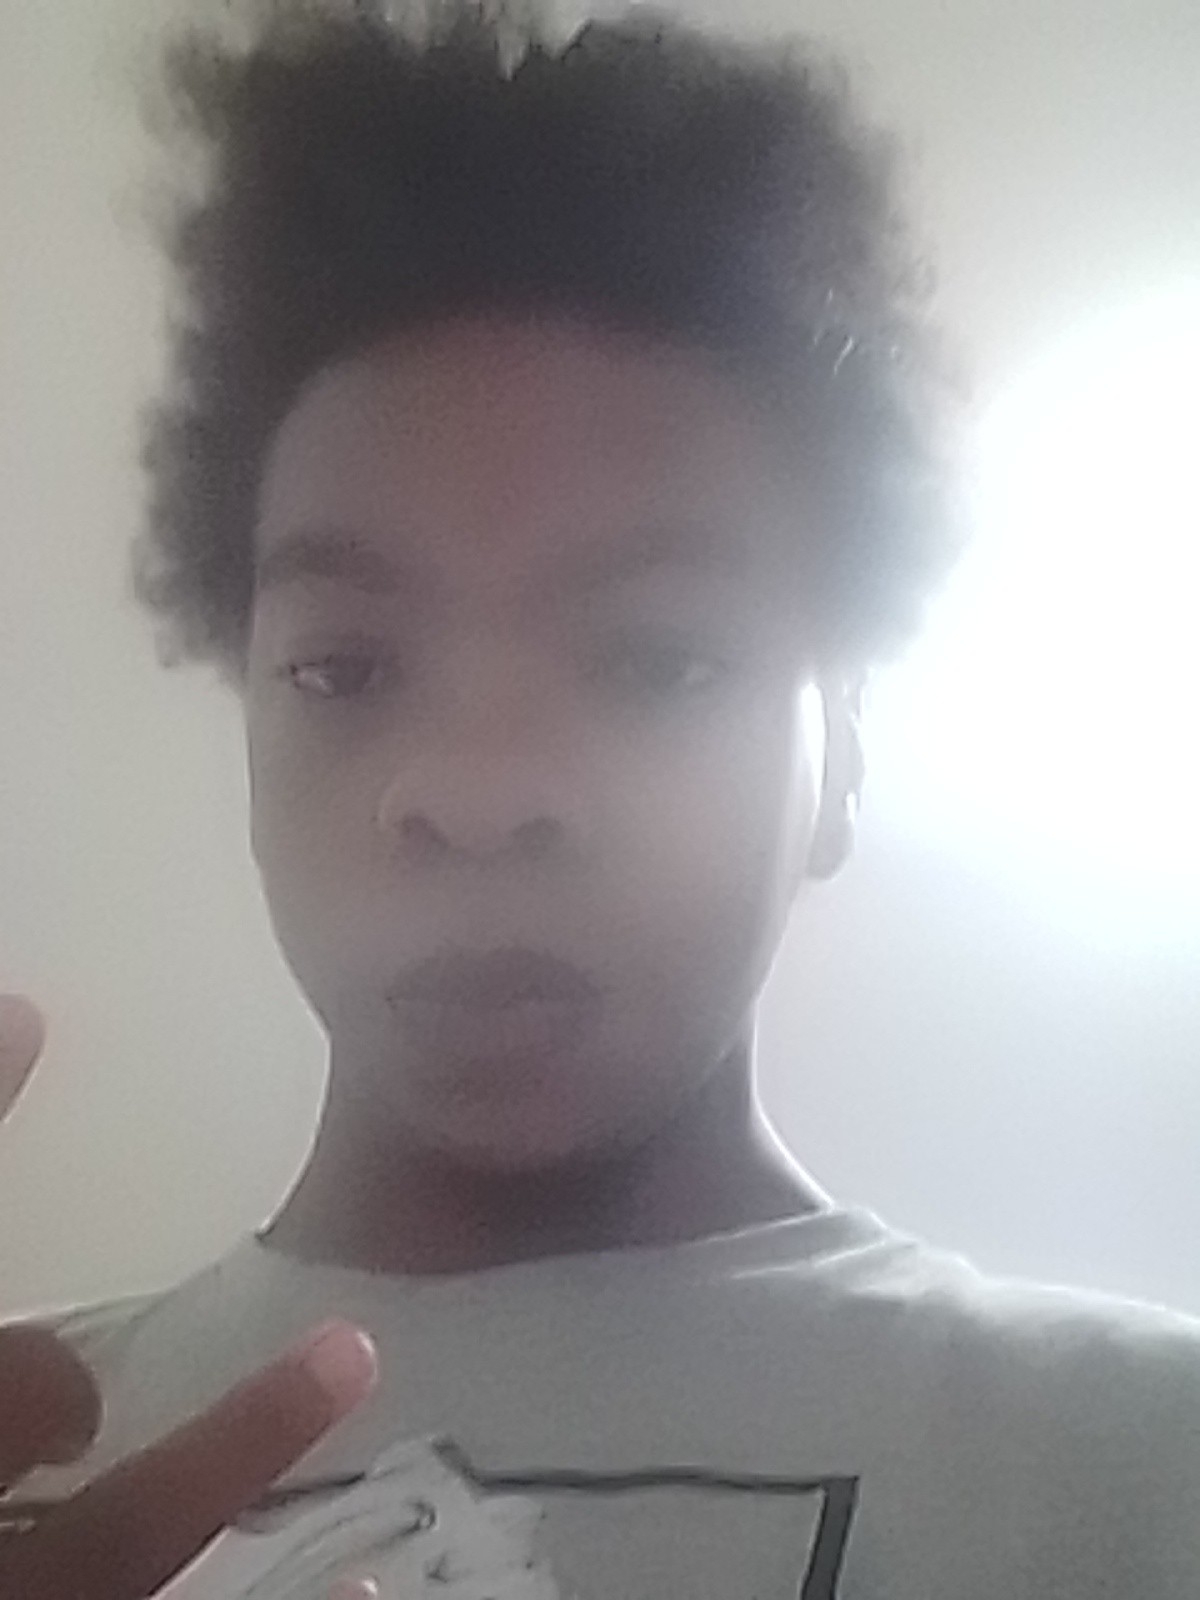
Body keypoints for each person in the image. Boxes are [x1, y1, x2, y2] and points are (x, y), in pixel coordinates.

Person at [2, 2, 1198, 1596]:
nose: (477, 794)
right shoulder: (30, 1443)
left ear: (840, 757)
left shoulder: (1143, 1457)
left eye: (656, 659)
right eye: (347, 667)